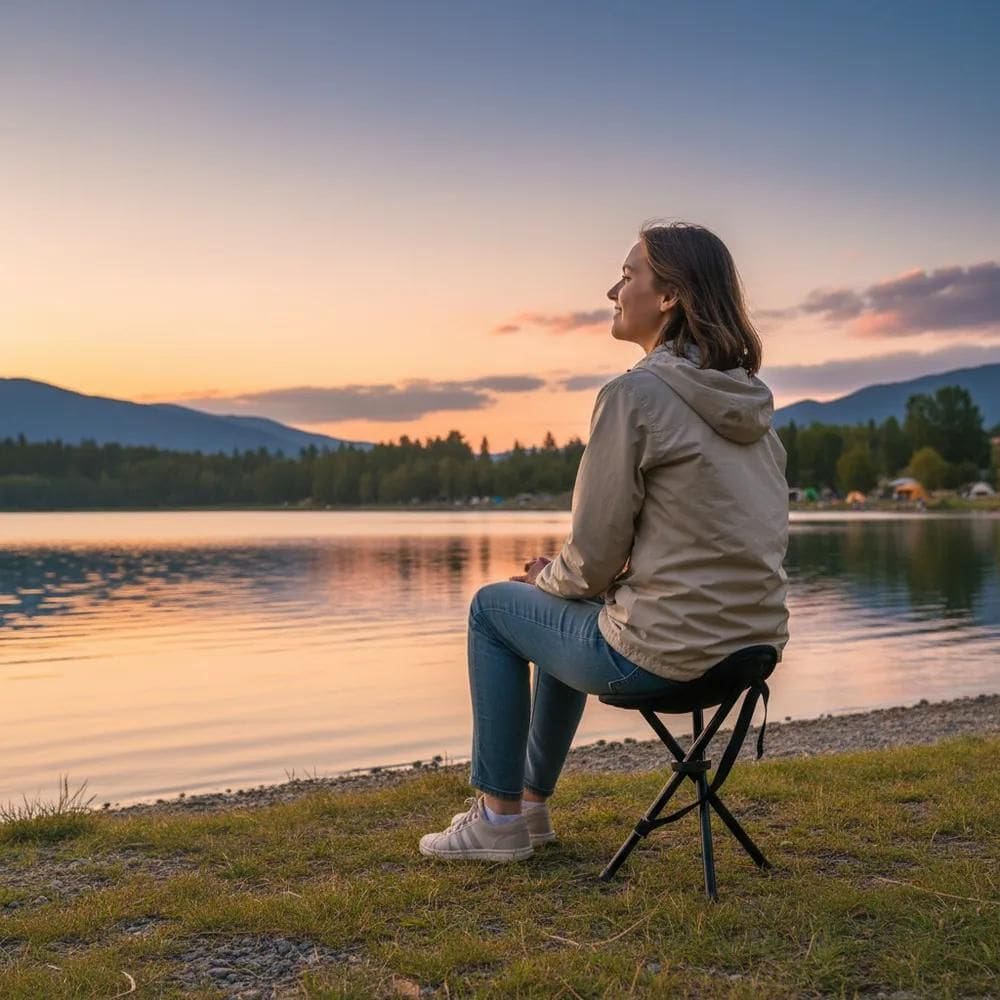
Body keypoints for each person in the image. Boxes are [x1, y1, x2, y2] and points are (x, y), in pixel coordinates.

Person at [419, 221, 789, 862]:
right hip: (748, 651)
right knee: (563, 605)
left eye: (628, 274)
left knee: (492, 609)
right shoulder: (752, 407)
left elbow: (589, 559)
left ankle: (500, 819)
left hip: (665, 657)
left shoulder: (635, 394)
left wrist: (548, 578)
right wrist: (566, 581)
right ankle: (528, 810)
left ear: (669, 295)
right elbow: (695, 549)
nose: (612, 288)